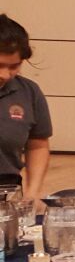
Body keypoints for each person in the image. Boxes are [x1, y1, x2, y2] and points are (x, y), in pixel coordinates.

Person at [0, 15, 52, 200]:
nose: (5, 75)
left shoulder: (29, 92)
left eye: (14, 66)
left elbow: (37, 145)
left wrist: (32, 191)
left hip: (8, 188)